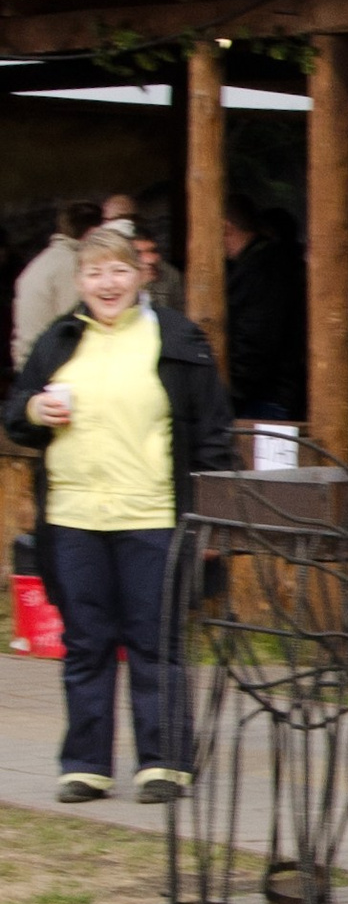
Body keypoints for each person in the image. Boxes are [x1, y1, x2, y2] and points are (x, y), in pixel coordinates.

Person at [2, 223, 232, 802]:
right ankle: (85, 765)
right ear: (79, 280)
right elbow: (14, 416)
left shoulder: (177, 339)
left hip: (153, 515)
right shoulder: (58, 340)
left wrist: (209, 519)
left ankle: (164, 763)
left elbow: (212, 434)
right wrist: (34, 408)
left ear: (141, 275)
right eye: (95, 273)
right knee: (87, 642)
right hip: (76, 518)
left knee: (156, 640)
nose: (108, 283)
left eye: (119, 271)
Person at [222, 211, 305, 426]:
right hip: (269, 394)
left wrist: (231, 396)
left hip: (266, 399)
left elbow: (255, 339)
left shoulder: (262, 269)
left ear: (226, 228)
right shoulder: (258, 263)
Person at [13, 201, 100, 367]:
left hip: (29, 364)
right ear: (92, 232)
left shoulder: (42, 262)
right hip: (50, 368)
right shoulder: (72, 265)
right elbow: (76, 324)